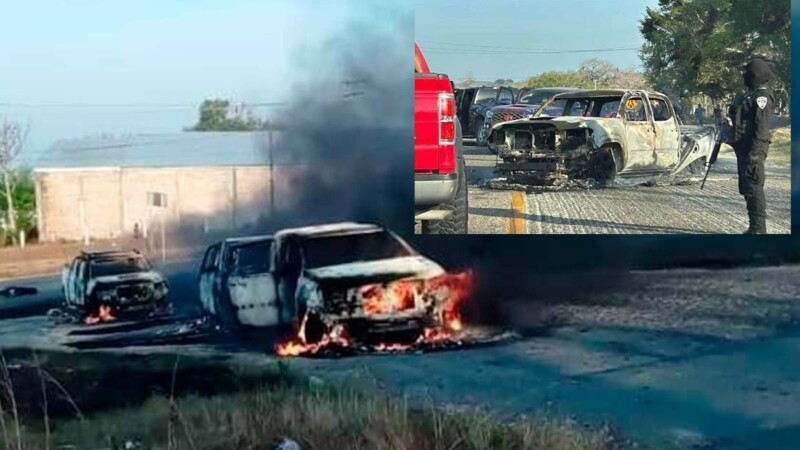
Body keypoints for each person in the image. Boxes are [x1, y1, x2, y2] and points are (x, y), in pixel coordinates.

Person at [725, 57, 775, 234]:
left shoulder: (762, 96)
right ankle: (753, 226)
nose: (744, 76)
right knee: (747, 186)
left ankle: (758, 229)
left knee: (754, 186)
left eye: (747, 73)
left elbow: (761, 127)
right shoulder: (750, 94)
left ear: (755, 75)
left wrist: (755, 152)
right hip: (744, 146)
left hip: (755, 147)